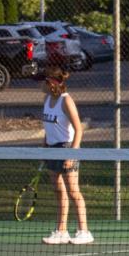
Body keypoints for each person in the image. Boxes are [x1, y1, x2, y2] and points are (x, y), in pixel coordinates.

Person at [40, 64, 92, 244]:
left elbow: (79, 129)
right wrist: (44, 148)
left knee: (73, 191)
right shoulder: (47, 99)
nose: (41, 85)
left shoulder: (66, 101)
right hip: (52, 149)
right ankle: (61, 231)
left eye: (43, 81)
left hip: (67, 147)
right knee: (58, 191)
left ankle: (84, 231)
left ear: (51, 82)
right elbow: (48, 128)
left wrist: (71, 154)